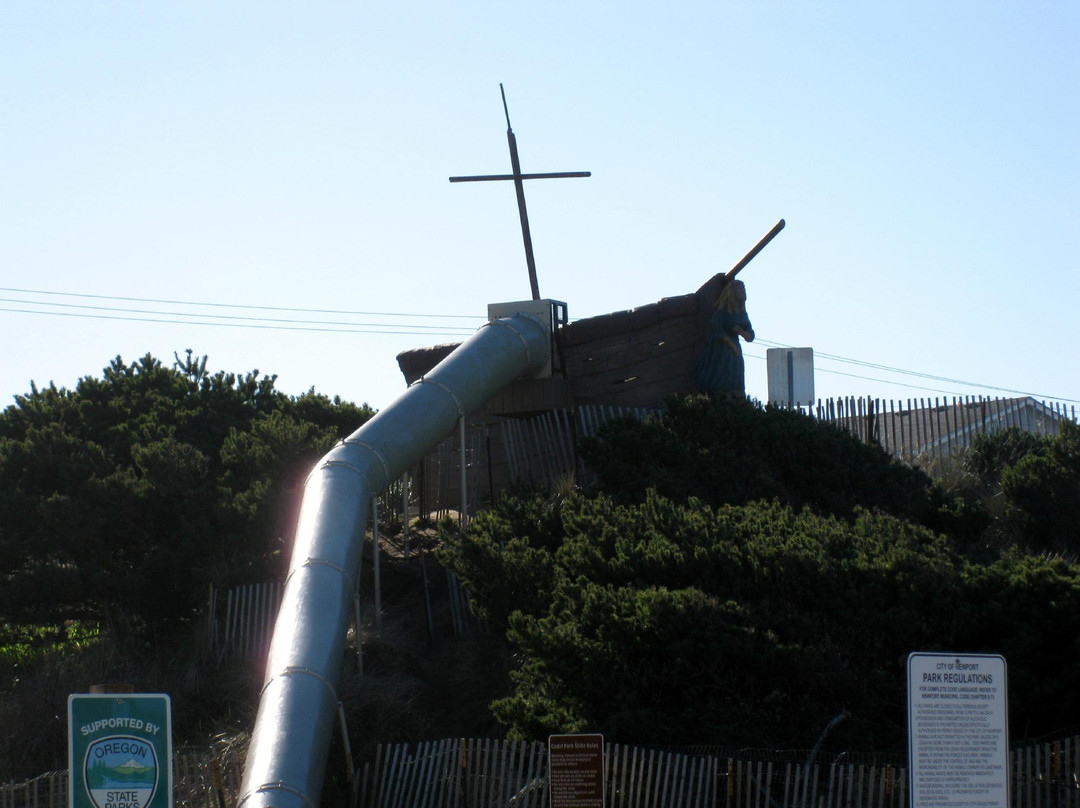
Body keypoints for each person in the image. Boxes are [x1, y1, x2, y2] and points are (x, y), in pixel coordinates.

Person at [694, 279, 754, 395]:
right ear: (732, 292)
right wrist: (732, 346)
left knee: (735, 376)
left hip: (735, 351)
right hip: (720, 350)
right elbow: (717, 331)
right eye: (740, 289)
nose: (742, 292)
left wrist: (741, 332)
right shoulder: (722, 312)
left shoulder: (742, 314)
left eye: (743, 289)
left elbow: (750, 335)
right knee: (720, 377)